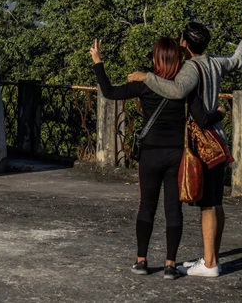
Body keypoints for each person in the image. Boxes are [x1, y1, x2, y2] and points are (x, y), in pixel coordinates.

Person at [128, 16, 242, 277]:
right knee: (215, 201)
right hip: (218, 139)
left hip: (201, 140)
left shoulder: (189, 68)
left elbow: (175, 90)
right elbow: (236, 59)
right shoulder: (214, 63)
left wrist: (147, 77)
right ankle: (210, 257)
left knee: (207, 203)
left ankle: (210, 264)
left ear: (184, 43)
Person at [90, 37, 221, 280]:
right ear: (179, 61)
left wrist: (98, 61)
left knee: (146, 206)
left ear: (155, 59)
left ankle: (141, 261)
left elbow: (109, 92)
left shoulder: (145, 84)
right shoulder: (183, 88)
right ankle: (170, 264)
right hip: (176, 154)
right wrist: (218, 113)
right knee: (174, 210)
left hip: (150, 153)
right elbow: (202, 119)